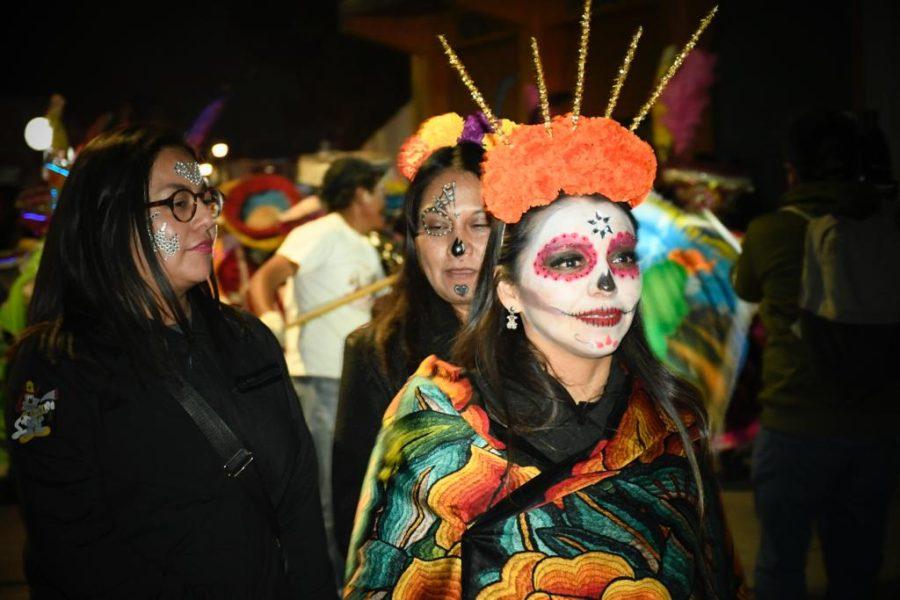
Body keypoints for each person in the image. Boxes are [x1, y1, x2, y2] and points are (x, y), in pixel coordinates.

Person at [343, 9, 745, 597]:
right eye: (568, 260)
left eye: (624, 258)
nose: (606, 284)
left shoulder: (671, 419)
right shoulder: (436, 419)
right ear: (507, 288)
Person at [4, 126, 335, 598]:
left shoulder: (249, 340)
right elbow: (75, 552)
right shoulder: (57, 367)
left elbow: (300, 502)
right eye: (179, 203)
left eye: (206, 198)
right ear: (111, 220)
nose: (205, 220)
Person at [733, 110, 900, 598]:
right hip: (877, 423)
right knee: (857, 568)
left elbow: (746, 288)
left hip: (796, 423)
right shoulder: (887, 226)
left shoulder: (773, 230)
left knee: (782, 565)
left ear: (792, 170)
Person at [334, 113, 496, 556]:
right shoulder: (377, 351)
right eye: (437, 226)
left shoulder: (552, 340)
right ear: (413, 238)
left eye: (478, 224)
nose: (457, 246)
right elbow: (358, 513)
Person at [248, 156, 386, 577]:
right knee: (327, 492)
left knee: (358, 488)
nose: (385, 203)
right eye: (380, 193)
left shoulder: (367, 245)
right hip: (322, 379)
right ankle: (325, 582)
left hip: (356, 383)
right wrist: (269, 323)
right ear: (361, 194)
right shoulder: (320, 233)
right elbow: (264, 280)